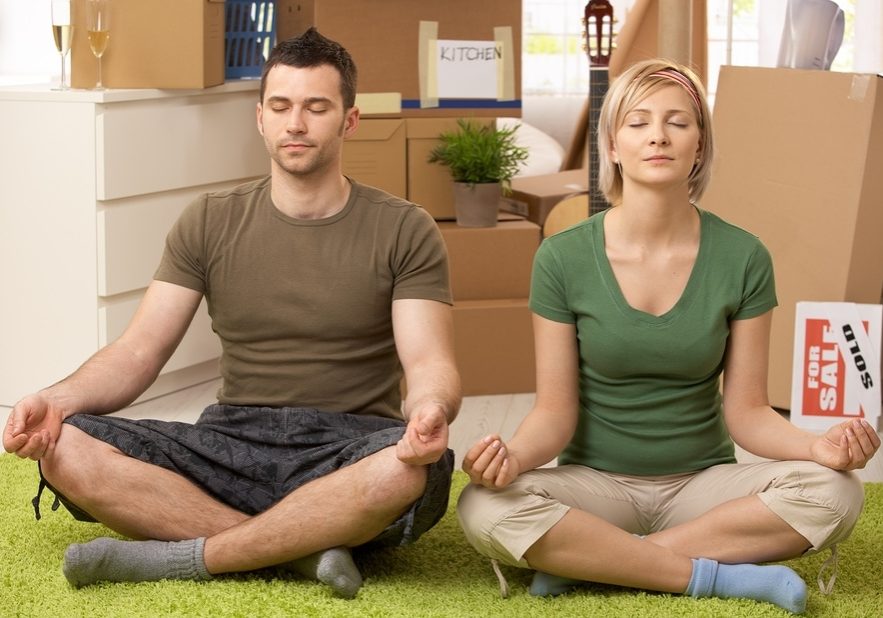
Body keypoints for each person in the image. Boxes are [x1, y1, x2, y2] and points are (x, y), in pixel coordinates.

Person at [2, 28, 461, 599]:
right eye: (281, 106)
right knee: (64, 447)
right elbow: (139, 351)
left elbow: (428, 360)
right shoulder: (209, 220)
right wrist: (59, 399)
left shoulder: (405, 227)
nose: (296, 123)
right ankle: (303, 547)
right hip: (231, 441)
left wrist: (428, 411)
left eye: (317, 107)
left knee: (408, 468)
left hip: (348, 447)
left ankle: (188, 555)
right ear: (260, 118)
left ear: (349, 120)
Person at [456, 58, 880, 615]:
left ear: (699, 145)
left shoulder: (744, 256)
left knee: (837, 491)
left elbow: (748, 412)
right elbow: (555, 414)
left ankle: (601, 565)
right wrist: (509, 458)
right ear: (611, 145)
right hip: (595, 489)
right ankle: (721, 577)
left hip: (703, 489)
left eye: (678, 122)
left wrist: (816, 447)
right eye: (638, 122)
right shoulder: (561, 258)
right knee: (482, 504)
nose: (658, 135)